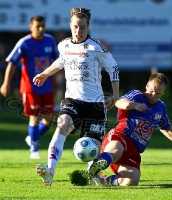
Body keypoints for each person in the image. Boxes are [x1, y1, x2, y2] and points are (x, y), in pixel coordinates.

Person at [33, 7, 119, 186]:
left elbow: (113, 68)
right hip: (72, 100)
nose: (78, 31)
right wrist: (45, 74)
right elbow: (61, 62)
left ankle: (94, 173)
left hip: (95, 104)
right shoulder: (63, 45)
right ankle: (50, 171)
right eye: (75, 27)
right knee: (62, 125)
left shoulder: (96, 47)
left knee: (92, 149)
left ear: (88, 27)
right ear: (70, 25)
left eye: (82, 27)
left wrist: (115, 95)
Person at [88, 72, 172, 186]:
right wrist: (134, 105)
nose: (153, 95)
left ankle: (104, 181)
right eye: (151, 91)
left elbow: (166, 128)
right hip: (120, 136)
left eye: (157, 93)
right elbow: (119, 102)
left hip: (134, 150)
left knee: (132, 179)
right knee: (115, 150)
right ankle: (92, 170)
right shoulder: (137, 95)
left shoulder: (161, 107)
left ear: (163, 93)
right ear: (147, 85)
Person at [0, 16, 59, 159]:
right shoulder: (24, 43)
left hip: (47, 87)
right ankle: (34, 149)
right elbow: (12, 63)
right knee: (35, 116)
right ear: (30, 27)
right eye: (37, 26)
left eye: (43, 26)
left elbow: (58, 60)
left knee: (49, 119)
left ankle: (33, 136)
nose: (40, 29)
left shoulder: (50, 40)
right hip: (30, 87)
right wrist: (6, 83)